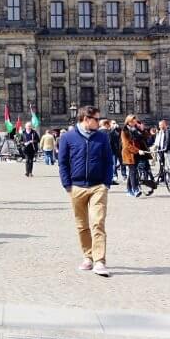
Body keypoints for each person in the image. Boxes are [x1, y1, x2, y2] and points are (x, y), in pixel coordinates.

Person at [57, 105, 114, 278]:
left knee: (98, 223)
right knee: (82, 225)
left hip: (98, 186)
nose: (100, 122)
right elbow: (63, 162)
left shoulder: (102, 137)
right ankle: (88, 256)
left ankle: (99, 261)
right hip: (77, 186)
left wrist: (106, 183)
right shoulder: (68, 137)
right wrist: (67, 185)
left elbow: (108, 161)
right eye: (96, 119)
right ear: (86, 119)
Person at [121, 115, 142, 197]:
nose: (134, 123)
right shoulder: (124, 131)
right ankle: (135, 189)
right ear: (128, 122)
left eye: (135, 121)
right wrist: (138, 150)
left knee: (131, 172)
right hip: (128, 154)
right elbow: (127, 145)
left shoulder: (135, 130)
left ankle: (128, 190)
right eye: (133, 121)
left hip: (135, 153)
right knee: (133, 171)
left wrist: (141, 129)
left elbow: (142, 138)